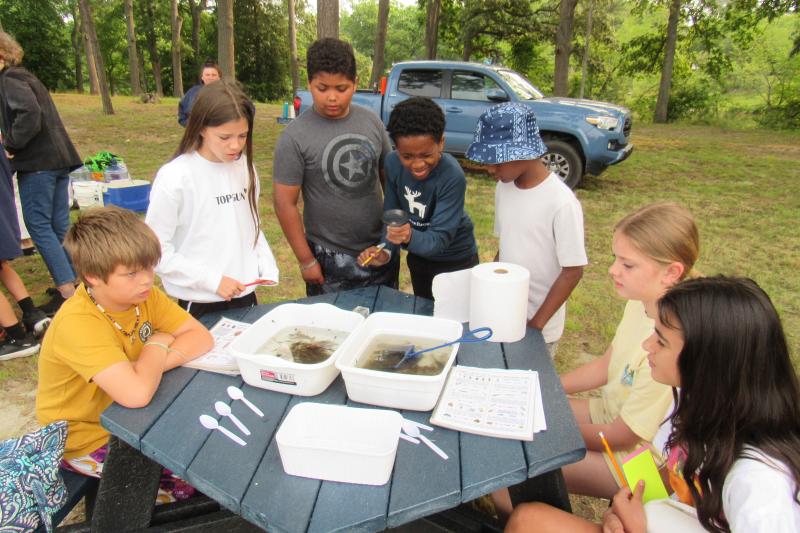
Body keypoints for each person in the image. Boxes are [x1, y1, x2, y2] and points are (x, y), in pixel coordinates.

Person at [506, 276, 800, 533]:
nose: (647, 345)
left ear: (706, 363)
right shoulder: (695, 405)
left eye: (661, 340)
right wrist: (619, 512)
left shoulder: (760, 485)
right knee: (528, 519)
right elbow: (663, 481)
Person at [36, 206, 214, 502]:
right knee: (196, 482)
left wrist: (147, 368)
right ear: (93, 276)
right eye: (131, 273)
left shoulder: (141, 296)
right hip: (85, 437)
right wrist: (157, 343)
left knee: (206, 446)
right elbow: (136, 395)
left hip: (132, 418)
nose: (146, 280)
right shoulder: (78, 322)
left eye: (149, 267)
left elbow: (201, 338)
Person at [272, 37, 398, 296]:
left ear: (356, 84)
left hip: (378, 250)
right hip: (328, 256)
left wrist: (388, 243)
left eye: (341, 88)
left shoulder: (372, 122)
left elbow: (391, 181)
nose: (331, 97)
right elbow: (285, 204)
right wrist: (306, 260)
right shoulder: (294, 137)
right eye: (322, 88)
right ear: (309, 84)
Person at [146, 80, 279, 319]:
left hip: (245, 295)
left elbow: (251, 227)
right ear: (200, 128)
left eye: (243, 135)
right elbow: (155, 251)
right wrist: (213, 281)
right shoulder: (176, 177)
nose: (236, 145)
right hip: (200, 301)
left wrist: (265, 264)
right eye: (225, 137)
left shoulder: (245, 168)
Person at [466, 102, 587, 357]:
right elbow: (506, 246)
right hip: (505, 313)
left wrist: (536, 326)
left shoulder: (561, 203)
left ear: (526, 152)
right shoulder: (504, 187)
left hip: (540, 324)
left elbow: (573, 271)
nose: (490, 169)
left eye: (496, 161)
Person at [357, 97, 478, 300]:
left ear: (441, 142)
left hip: (455, 262)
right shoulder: (392, 164)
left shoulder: (452, 176)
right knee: (425, 313)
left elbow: (439, 239)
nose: (417, 164)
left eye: (426, 155)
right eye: (407, 156)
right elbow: (393, 216)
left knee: (456, 322)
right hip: (419, 258)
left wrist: (407, 236)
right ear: (396, 148)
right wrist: (385, 250)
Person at [0, 31, 81, 316]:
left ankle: (67, 292)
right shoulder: (25, 76)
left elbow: (29, 113)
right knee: (60, 226)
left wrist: (10, 143)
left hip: (38, 164)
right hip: (58, 160)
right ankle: (79, 283)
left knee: (39, 226)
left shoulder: (9, 80)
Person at [178, 61, 221, 127]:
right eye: (207, 75)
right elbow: (182, 111)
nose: (210, 77)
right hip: (197, 132)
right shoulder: (193, 92)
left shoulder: (225, 93)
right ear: (202, 77)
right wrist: (191, 125)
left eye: (214, 75)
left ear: (219, 77)